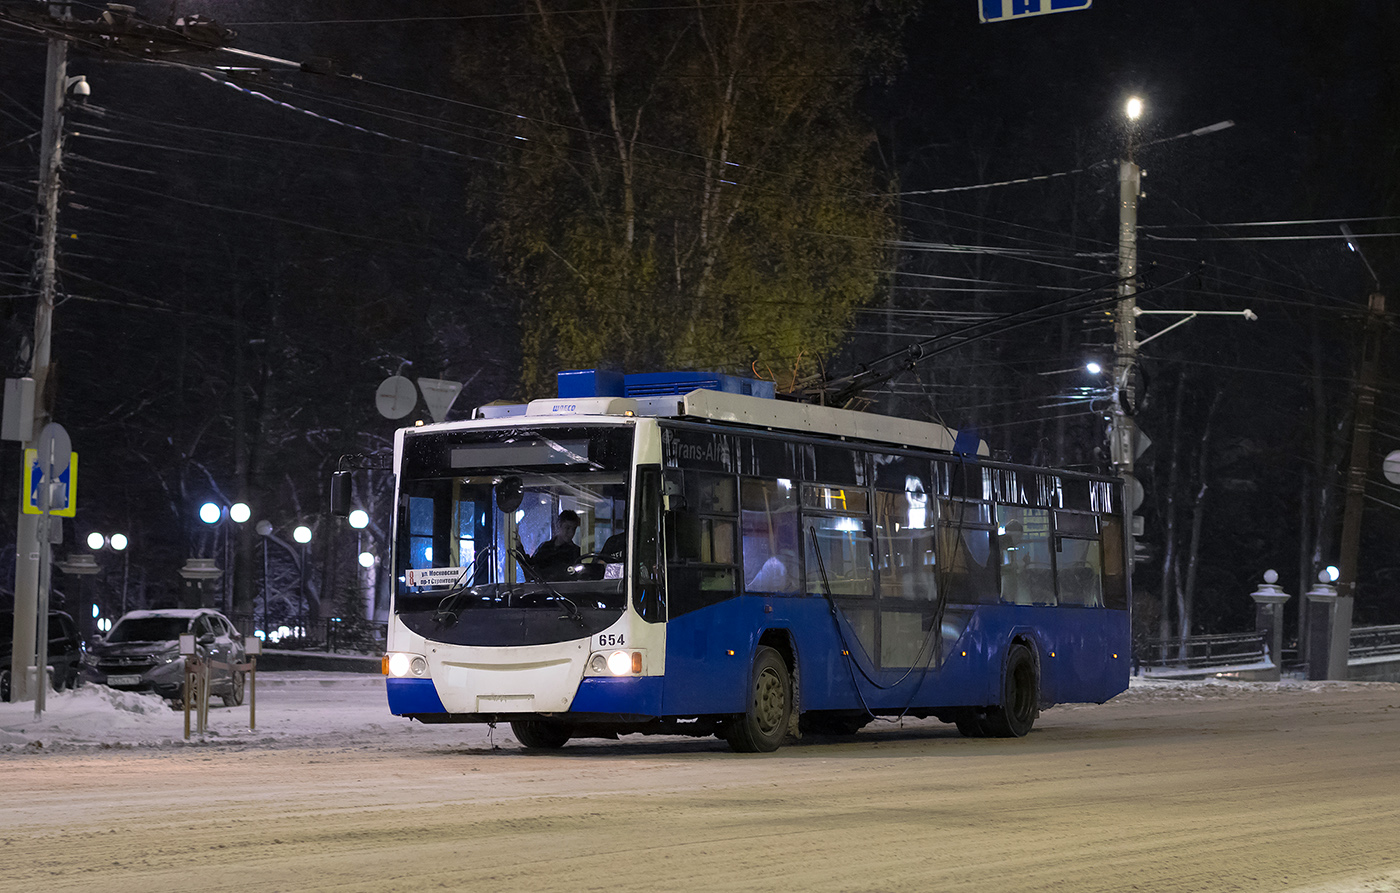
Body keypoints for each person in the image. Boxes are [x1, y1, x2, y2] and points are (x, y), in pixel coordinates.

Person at [530, 510, 581, 579]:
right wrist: (519, 547)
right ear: (559, 525)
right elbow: (531, 568)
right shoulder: (545, 548)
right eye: (567, 528)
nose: (571, 533)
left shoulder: (575, 552)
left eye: (574, 529)